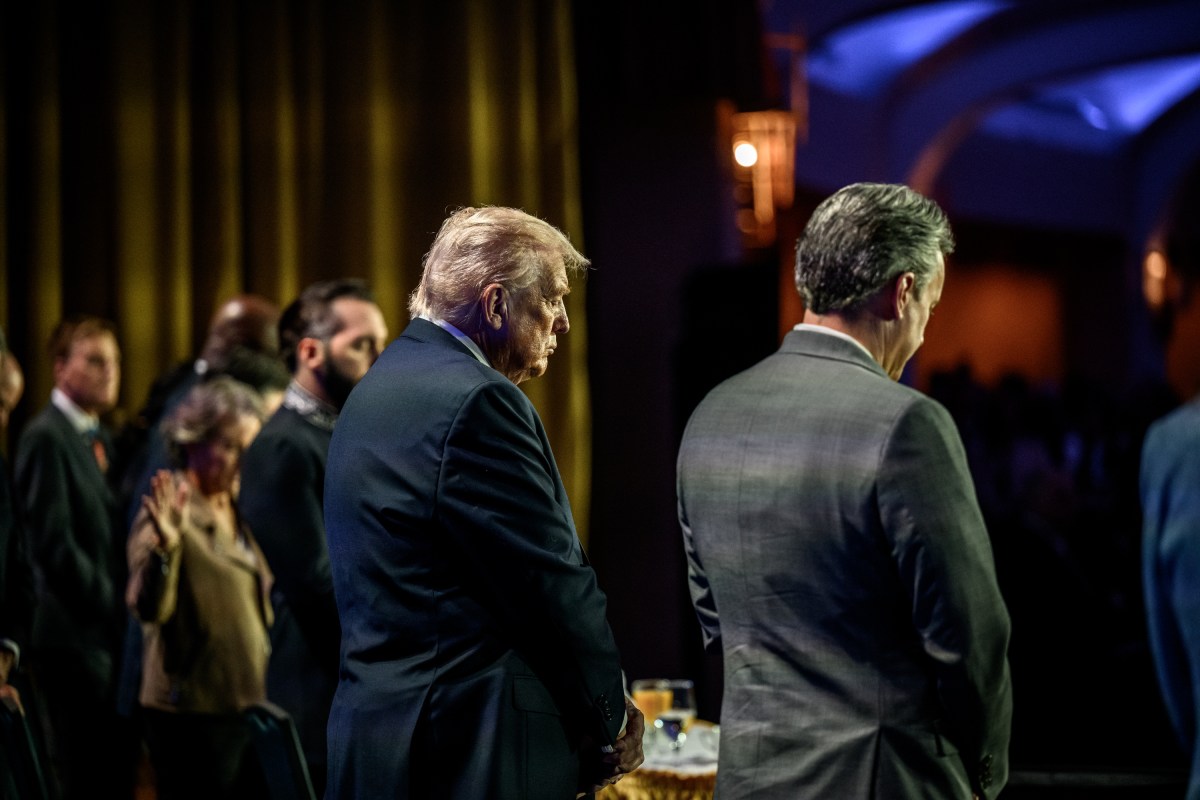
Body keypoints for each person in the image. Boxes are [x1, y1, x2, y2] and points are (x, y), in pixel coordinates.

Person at [677, 183, 1013, 799]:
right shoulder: (908, 423)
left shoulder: (710, 416)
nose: (921, 338)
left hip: (749, 781)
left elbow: (717, 619)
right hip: (881, 781)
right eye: (930, 309)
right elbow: (968, 637)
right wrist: (985, 775)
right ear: (903, 290)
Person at [324, 206, 643, 798]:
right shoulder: (479, 402)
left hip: (381, 737)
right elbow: (551, 586)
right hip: (470, 749)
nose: (564, 323)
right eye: (551, 300)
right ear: (496, 305)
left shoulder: (378, 386)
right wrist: (613, 719)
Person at [238, 278, 388, 793]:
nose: (379, 356)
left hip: (353, 689)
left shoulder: (343, 431)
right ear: (310, 351)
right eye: (362, 344)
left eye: (381, 342)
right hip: (316, 697)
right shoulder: (281, 445)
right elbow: (319, 586)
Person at [126, 376, 272, 799]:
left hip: (241, 707)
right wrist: (165, 550)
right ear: (193, 439)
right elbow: (147, 607)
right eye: (229, 446)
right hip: (191, 715)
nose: (242, 459)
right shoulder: (170, 505)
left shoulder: (236, 502)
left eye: (249, 446)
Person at [14, 314, 134, 800]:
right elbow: (54, 544)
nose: (110, 372)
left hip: (101, 641)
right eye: (96, 361)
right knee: (84, 771)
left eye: (116, 362)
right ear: (61, 368)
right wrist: (116, 604)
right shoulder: (46, 436)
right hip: (73, 640)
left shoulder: (98, 437)